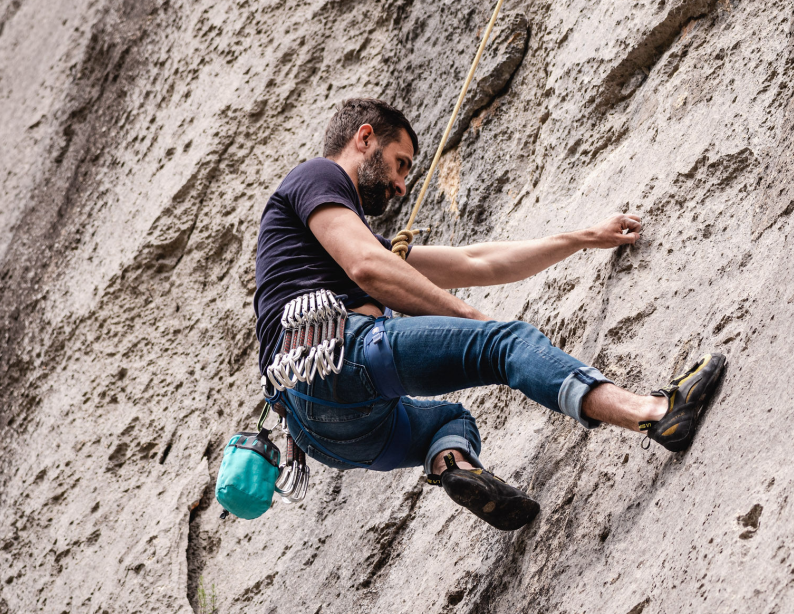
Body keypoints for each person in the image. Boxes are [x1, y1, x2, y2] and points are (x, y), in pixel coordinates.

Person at [254, 98, 725, 530]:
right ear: (364, 138)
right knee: (506, 343)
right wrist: (472, 319)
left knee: (449, 424)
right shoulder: (318, 175)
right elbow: (368, 269)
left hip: (324, 434)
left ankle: (452, 467)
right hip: (336, 356)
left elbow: (477, 262)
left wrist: (583, 238)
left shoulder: (342, 240)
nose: (400, 186)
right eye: (400, 164)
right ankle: (656, 412)